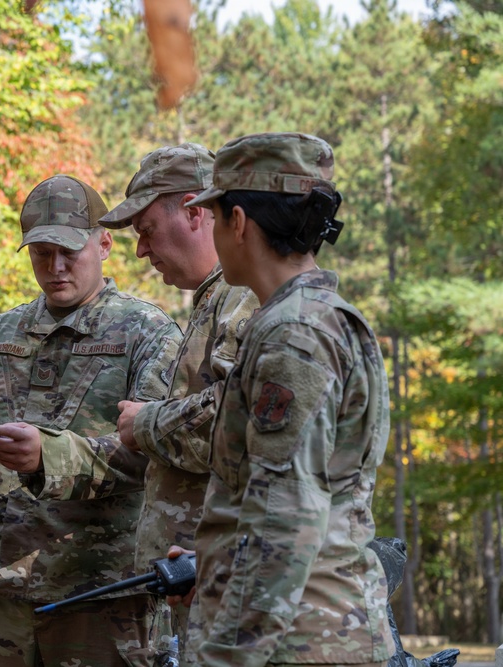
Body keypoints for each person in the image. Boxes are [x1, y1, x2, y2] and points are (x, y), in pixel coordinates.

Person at [0, 174, 182, 667]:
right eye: (41, 254)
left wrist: (48, 456)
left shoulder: (149, 334)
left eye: (68, 252)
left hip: (101, 591)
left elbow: (158, 454)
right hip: (1, 591)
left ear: (103, 245)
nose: (55, 268)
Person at [14, 144, 259, 662]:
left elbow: (241, 421)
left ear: (195, 210)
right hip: (196, 577)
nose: (142, 250)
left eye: (146, 229)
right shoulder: (213, 302)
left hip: (232, 580)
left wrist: (148, 422)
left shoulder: (244, 297)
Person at [180, 132, 395, 667]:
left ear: (238, 222)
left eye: (213, 216)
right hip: (307, 630)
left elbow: (286, 519)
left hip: (297, 642)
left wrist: (225, 656)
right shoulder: (306, 319)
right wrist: (216, 560)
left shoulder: (293, 333)